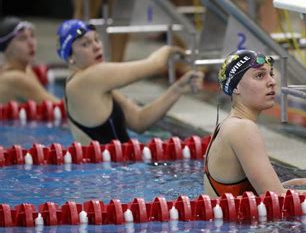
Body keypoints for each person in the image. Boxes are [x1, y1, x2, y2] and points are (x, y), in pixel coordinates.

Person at [204, 49, 306, 198]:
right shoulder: (242, 128)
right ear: (236, 87)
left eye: (271, 74)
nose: (272, 82)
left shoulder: (226, 125)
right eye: (259, 75)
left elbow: (247, 194)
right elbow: (276, 198)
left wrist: (294, 182)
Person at [56, 19, 204, 145]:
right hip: (105, 176)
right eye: (85, 44)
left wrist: (177, 89)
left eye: (96, 39)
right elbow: (155, 65)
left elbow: (139, 121)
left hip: (111, 173)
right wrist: (170, 48)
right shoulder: (87, 79)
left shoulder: (94, 85)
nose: (96, 46)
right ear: (70, 57)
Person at [0, 16, 59, 103]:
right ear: (7, 48)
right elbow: (60, 107)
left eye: (32, 36)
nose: (31, 43)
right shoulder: (15, 78)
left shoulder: (26, 69)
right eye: (22, 38)